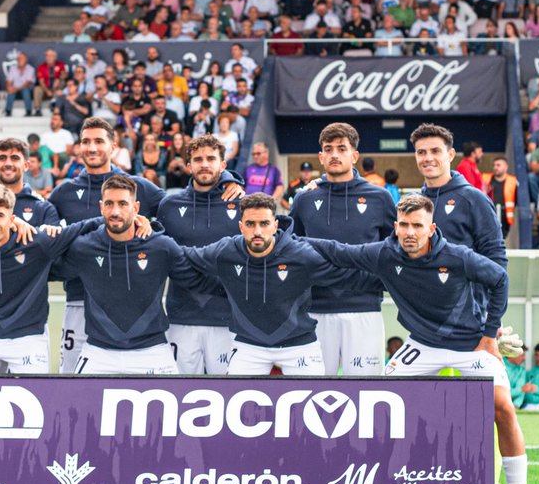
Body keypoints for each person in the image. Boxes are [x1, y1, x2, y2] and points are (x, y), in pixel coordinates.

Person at [301, 194, 533, 484]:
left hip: (470, 345)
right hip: (421, 344)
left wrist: (489, 333)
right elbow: (339, 252)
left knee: (503, 408)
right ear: (396, 226)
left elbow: (499, 279)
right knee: (379, 404)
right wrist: (288, 236)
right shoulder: (385, 253)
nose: (410, 233)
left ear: (431, 227)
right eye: (405, 226)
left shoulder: (456, 256)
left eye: (417, 226)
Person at [413, 124, 531, 484]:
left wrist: (491, 327)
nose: (427, 158)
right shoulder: (410, 205)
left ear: (450, 155)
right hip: (424, 334)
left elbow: (497, 264)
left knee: (501, 408)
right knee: (391, 403)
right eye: (421, 152)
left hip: (472, 332)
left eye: (434, 151)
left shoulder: (474, 200)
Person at [179, 193, 355, 376]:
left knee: (311, 403)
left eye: (264, 224)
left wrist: (384, 272)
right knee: (238, 401)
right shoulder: (226, 251)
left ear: (275, 225)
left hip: (299, 345)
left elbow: (345, 275)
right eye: (250, 224)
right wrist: (152, 235)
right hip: (248, 345)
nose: (257, 231)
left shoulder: (301, 254)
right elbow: (182, 256)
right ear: (240, 227)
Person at [0, 186, 109, 374]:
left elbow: (84, 227)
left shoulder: (36, 241)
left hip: (28, 337)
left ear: (12, 218)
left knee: (36, 399)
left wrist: (130, 219)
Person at [61, 175, 205, 375]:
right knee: (77, 405)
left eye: (123, 204)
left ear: (136, 208)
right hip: (98, 351)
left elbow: (196, 281)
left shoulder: (161, 246)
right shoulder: (83, 247)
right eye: (109, 204)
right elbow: (46, 268)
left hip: (152, 351)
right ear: (101, 207)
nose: (115, 211)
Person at [289, 123, 395, 376]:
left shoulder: (379, 198)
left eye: (342, 148)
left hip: (364, 310)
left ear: (354, 155)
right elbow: (291, 251)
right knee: (311, 392)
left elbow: (394, 252)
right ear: (321, 157)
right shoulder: (304, 199)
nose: (335, 154)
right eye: (328, 149)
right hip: (314, 312)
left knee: (365, 393)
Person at [156, 136, 242, 375]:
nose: (205, 164)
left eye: (211, 159)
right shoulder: (169, 205)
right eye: (198, 159)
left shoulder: (242, 204)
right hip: (180, 317)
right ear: (189, 165)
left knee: (229, 397)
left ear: (223, 165)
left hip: (229, 319)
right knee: (179, 395)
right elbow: (165, 258)